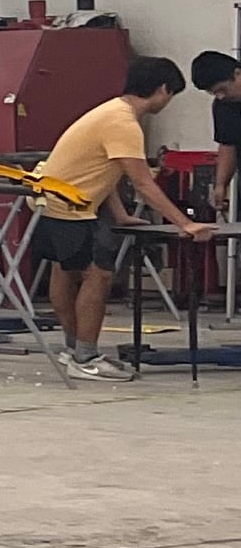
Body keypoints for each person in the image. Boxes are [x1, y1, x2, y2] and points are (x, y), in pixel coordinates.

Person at [35, 55, 198, 380]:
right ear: (163, 89)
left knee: (65, 271)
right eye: (171, 95)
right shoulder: (123, 123)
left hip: (52, 198)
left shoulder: (110, 111)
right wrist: (186, 223)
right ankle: (86, 358)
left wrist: (121, 215)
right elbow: (143, 183)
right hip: (69, 204)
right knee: (98, 275)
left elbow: (102, 170)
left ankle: (74, 350)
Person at [194, 51, 241, 217]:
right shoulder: (223, 106)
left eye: (222, 89)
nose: (220, 96)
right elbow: (227, 145)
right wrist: (220, 185)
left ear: (237, 73)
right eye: (214, 93)